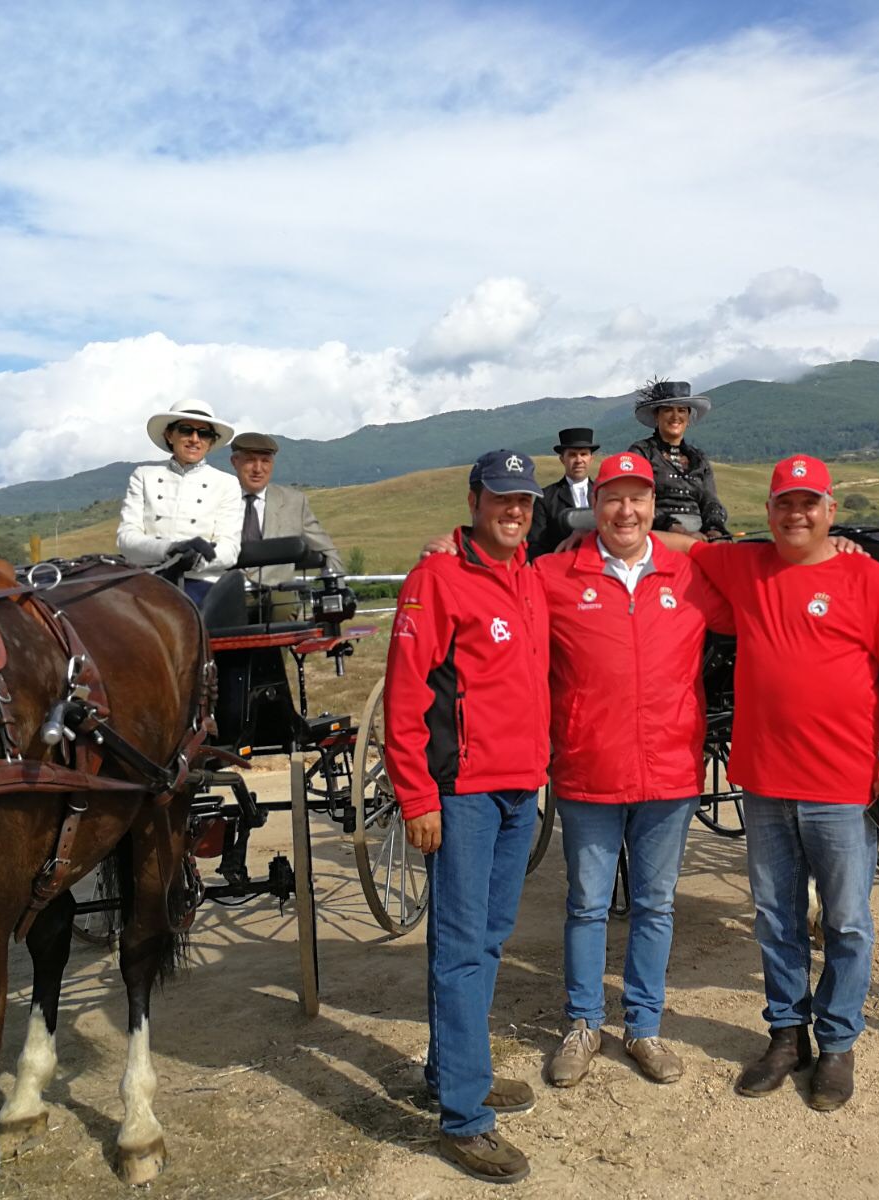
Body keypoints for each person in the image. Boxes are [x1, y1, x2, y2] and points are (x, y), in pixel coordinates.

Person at [665, 454, 879, 1113]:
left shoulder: (867, 580)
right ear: (769, 513)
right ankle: (787, 1036)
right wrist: (595, 530)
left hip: (841, 788)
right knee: (776, 916)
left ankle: (837, 1042)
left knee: (845, 920)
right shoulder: (747, 565)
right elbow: (679, 545)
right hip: (764, 783)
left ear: (831, 511)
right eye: (785, 503)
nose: (797, 514)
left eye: (809, 503)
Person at [535, 451, 733, 1090]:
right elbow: (488, 585)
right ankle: (583, 1023)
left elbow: (765, 590)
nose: (625, 510)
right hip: (590, 767)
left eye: (637, 498)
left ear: (654, 506)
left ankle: (643, 1026)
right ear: (595, 505)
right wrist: (448, 546)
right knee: (588, 904)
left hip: (670, 771)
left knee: (655, 905)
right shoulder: (553, 574)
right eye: (613, 498)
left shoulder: (688, 575)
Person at [385, 449, 551, 1185]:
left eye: (523, 501)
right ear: (475, 499)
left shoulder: (529, 577)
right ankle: (463, 1118)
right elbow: (404, 696)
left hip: (520, 790)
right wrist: (418, 796)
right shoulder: (436, 579)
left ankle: (454, 1070)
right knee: (459, 946)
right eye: (501, 498)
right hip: (463, 795)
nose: (513, 510)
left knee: (485, 940)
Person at [117, 400, 243, 605]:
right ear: (169, 435)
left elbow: (229, 548)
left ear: (211, 442)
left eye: (204, 433)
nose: (195, 439)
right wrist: (170, 549)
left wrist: (197, 558)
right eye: (186, 430)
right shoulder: (143, 476)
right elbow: (126, 539)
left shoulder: (226, 483)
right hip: (147, 579)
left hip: (201, 584)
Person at [228, 432, 344, 584]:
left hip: (279, 597)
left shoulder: (294, 502)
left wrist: (336, 593)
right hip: (223, 595)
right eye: (250, 460)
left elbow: (328, 551)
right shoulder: (214, 499)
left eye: (265, 461)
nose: (258, 468)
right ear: (234, 462)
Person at [627, 379, 730, 541]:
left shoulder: (699, 458)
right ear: (656, 415)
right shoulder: (642, 452)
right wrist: (678, 531)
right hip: (656, 533)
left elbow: (710, 500)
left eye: (682, 410)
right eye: (668, 410)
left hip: (700, 535)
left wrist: (714, 529)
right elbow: (635, 501)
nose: (675, 416)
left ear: (688, 416)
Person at [527, 427, 598, 559]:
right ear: (562, 459)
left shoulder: (603, 495)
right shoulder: (546, 498)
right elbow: (535, 544)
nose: (578, 460)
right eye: (572, 454)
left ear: (591, 458)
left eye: (583, 454)